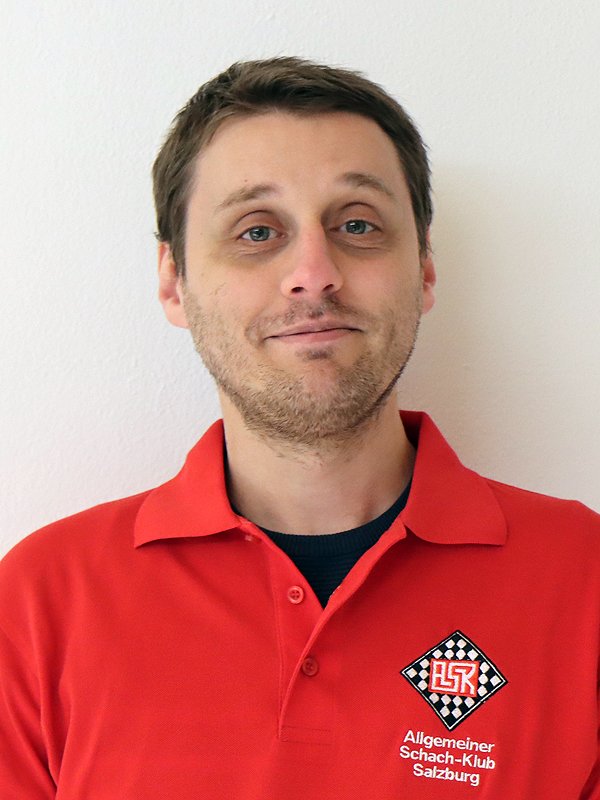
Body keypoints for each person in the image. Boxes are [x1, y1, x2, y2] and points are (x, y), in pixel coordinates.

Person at [0, 57, 598, 800]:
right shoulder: (40, 603)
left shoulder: (583, 582)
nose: (313, 272)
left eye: (357, 224)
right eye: (257, 231)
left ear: (425, 268)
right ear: (174, 281)